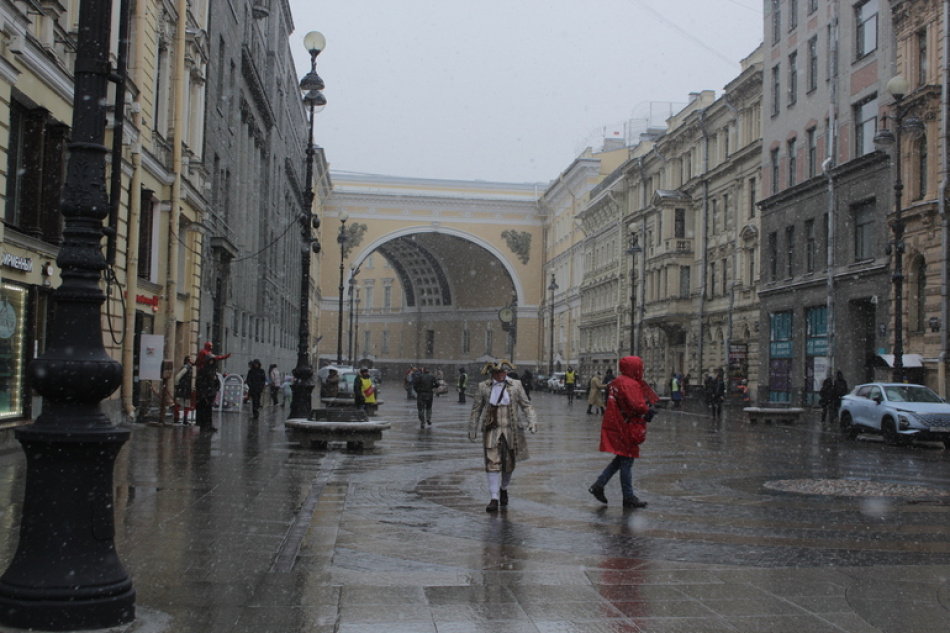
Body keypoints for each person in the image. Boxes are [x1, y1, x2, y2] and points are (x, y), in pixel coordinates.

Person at [588, 356, 658, 509]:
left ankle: (599, 485)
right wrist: (648, 411)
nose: (642, 371)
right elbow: (637, 405)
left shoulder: (617, 381)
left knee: (620, 459)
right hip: (627, 426)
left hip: (618, 423)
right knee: (626, 460)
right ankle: (628, 496)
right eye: (640, 368)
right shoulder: (630, 384)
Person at [468, 361, 538, 512]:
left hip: (511, 429)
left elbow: (526, 405)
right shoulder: (483, 387)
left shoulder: (516, 385)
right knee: (492, 463)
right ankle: (493, 497)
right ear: (492, 374)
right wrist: (472, 428)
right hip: (491, 429)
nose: (501, 375)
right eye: (498, 373)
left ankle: (503, 488)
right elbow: (476, 409)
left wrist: (532, 421)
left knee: (509, 464)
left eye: (503, 372)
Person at [195, 356, 220, 432]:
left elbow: (216, 381)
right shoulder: (203, 370)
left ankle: (208, 424)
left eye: (212, 361)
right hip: (204, 393)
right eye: (210, 361)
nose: (211, 363)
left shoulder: (213, 371)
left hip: (210, 393)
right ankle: (203, 424)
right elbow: (199, 381)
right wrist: (203, 390)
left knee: (208, 409)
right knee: (203, 409)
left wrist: (216, 388)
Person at [173, 356, 194, 424]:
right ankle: (180, 418)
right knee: (181, 403)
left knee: (183, 403)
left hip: (184, 388)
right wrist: (177, 384)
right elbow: (178, 376)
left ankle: (179, 418)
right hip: (184, 388)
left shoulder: (188, 368)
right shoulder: (186, 368)